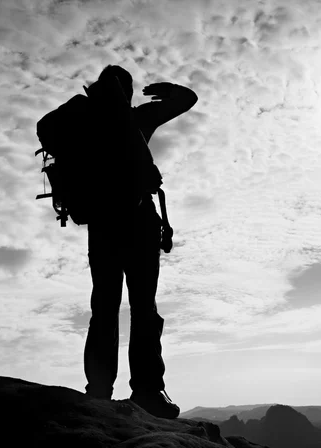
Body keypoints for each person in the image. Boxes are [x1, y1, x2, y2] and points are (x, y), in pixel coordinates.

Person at [82, 65, 197, 419]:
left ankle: (98, 391)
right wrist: (169, 88)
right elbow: (187, 99)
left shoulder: (84, 123)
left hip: (101, 226)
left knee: (104, 307)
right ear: (127, 92)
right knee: (143, 308)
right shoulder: (137, 118)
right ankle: (147, 391)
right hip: (138, 222)